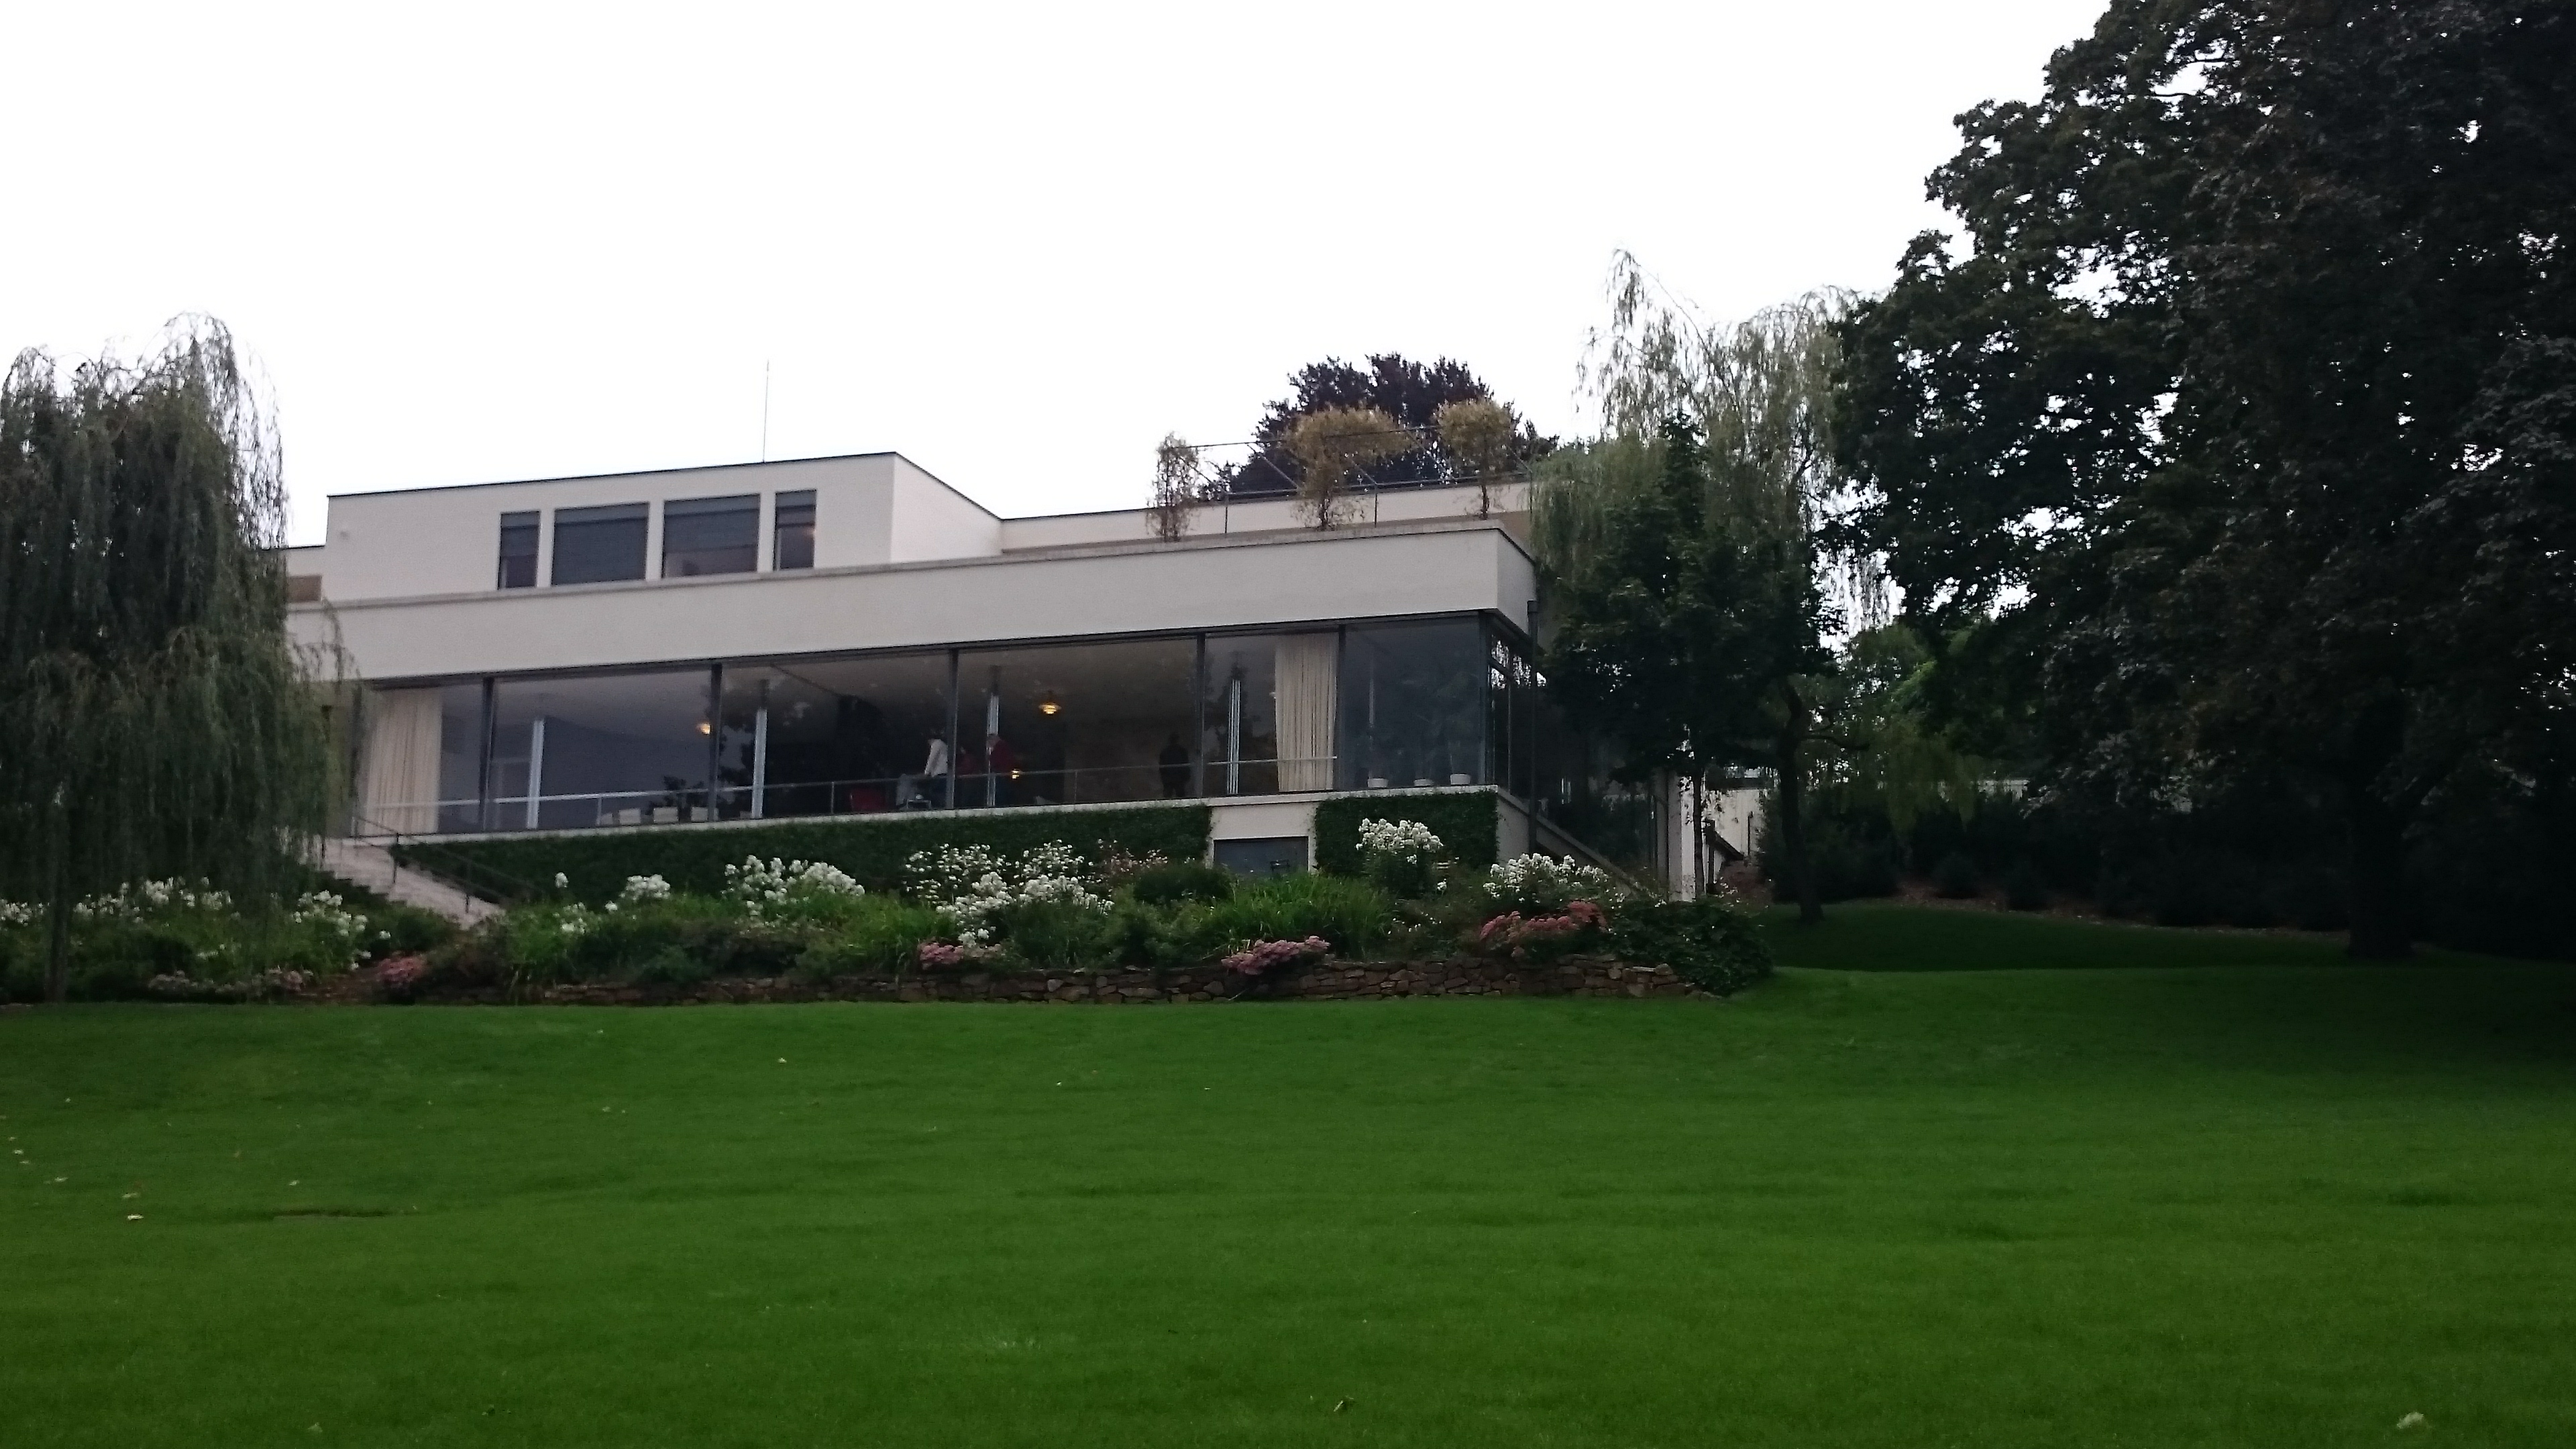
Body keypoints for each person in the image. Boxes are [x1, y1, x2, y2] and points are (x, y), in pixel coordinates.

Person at [1158, 732, 1191, 798]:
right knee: (1172, 794)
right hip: (1172, 778)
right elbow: (1162, 766)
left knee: (1179, 794)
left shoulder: (1181, 751)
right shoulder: (1167, 752)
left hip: (1177, 778)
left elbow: (1185, 764)